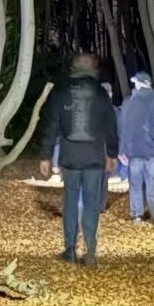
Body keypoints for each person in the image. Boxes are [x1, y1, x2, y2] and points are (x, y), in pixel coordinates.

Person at [38, 53, 117, 267]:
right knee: (92, 203)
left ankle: (70, 249)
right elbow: (110, 125)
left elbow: (51, 125)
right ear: (94, 68)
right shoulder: (100, 92)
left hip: (70, 157)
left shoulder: (61, 91)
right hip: (94, 157)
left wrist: (45, 156)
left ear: (74, 67)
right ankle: (90, 250)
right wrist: (112, 153)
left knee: (70, 201)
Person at [116, 70, 154, 223]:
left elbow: (123, 128)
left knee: (135, 185)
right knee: (153, 184)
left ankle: (136, 214)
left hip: (134, 151)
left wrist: (122, 150)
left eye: (136, 83)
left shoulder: (129, 103)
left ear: (141, 84)